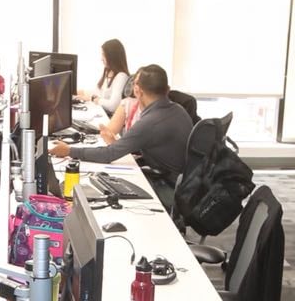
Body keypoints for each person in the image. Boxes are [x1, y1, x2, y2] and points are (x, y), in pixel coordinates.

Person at [50, 64, 191, 205]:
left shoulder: (150, 122)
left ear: (137, 91)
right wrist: (118, 145)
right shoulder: (179, 110)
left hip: (166, 187)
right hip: (182, 184)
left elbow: (108, 155)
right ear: (167, 89)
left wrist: (69, 150)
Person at [89, 39, 129, 116]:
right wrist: (87, 95)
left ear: (112, 57)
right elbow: (97, 93)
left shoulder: (121, 76)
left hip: (110, 117)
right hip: (102, 113)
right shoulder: (108, 71)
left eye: (104, 55)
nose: (101, 59)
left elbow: (113, 106)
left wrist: (95, 99)